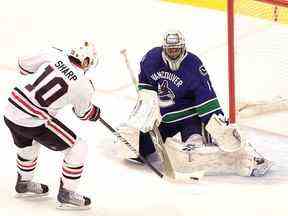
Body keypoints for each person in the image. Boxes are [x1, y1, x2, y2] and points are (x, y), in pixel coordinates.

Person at [124, 30, 271, 177]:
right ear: (164, 47)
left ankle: (242, 158)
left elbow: (206, 99)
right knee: (137, 147)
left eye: (177, 48)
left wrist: (219, 127)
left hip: (191, 118)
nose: (173, 52)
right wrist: (148, 109)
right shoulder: (150, 59)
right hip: (164, 119)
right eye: (170, 49)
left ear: (183, 47)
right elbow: (146, 87)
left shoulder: (193, 65)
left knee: (195, 152)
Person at [4, 41, 100, 209]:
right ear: (85, 62)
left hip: (11, 109)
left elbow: (23, 66)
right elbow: (83, 113)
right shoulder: (84, 84)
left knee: (28, 145)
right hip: (32, 120)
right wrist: (93, 112)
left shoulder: (53, 53)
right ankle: (67, 193)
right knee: (78, 147)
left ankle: (24, 183)